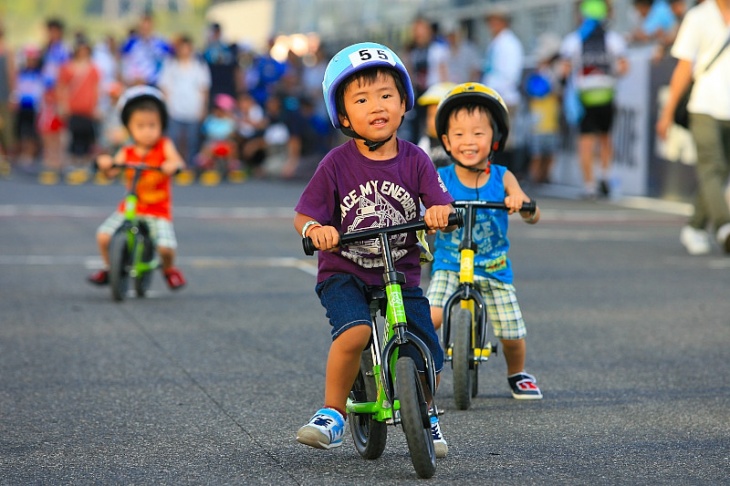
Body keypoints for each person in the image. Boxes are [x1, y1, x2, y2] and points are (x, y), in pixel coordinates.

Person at [293, 42, 454, 456]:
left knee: (429, 355)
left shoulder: (416, 159)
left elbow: (440, 200)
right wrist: (316, 229)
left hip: (399, 270)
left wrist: (438, 212)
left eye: (386, 95)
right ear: (344, 116)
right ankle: (332, 413)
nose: (376, 105)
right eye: (362, 99)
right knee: (356, 331)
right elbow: (304, 214)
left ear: (404, 104)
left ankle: (427, 412)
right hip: (344, 270)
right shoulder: (335, 164)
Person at [427, 82, 542, 400]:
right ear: (447, 141)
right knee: (429, 317)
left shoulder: (502, 176)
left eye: (478, 133)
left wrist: (520, 200)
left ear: (495, 139)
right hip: (450, 265)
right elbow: (430, 210)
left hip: (493, 266)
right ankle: (420, 370)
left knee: (511, 330)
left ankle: (517, 372)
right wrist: (433, 216)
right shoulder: (443, 178)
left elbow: (532, 213)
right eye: (459, 134)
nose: (469, 142)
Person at [87, 86, 187, 290]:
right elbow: (112, 171)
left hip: (157, 209)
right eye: (140, 126)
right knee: (104, 236)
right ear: (129, 128)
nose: (147, 131)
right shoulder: (127, 150)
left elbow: (178, 162)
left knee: (166, 248)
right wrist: (106, 164)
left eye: (152, 125)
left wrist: (172, 165)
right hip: (131, 206)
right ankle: (110, 268)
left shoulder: (164, 146)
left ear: (162, 125)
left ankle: (169, 270)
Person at [656, 0, 730, 255]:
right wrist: (666, 114)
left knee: (722, 171)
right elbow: (684, 67)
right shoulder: (698, 16)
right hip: (704, 105)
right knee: (713, 165)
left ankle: (695, 227)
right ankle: (725, 226)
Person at [559, 0, 629, 198]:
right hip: (607, 94)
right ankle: (605, 176)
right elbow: (624, 67)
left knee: (586, 141)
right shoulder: (613, 39)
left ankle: (589, 185)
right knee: (605, 138)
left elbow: (564, 70)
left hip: (584, 97)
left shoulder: (573, 40)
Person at [481, 6, 526, 177]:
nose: (491, 24)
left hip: (504, 98)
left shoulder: (509, 44)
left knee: (504, 141)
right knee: (495, 140)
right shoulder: (498, 42)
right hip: (496, 97)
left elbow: (510, 75)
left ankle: (507, 179)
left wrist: (495, 93)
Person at [158, 34, 211, 165]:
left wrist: (203, 108)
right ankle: (174, 164)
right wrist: (166, 106)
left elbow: (204, 89)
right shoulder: (170, 66)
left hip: (193, 109)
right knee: (173, 139)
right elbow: (164, 87)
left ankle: (189, 166)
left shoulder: (199, 67)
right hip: (174, 109)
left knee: (192, 140)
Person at [57, 36, 100, 185]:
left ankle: (84, 165)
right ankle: (73, 165)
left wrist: (96, 106)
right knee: (73, 138)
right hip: (73, 109)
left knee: (87, 138)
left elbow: (95, 89)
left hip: (87, 110)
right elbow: (62, 87)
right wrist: (63, 105)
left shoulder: (93, 68)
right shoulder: (68, 67)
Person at [525, 33, 563, 184]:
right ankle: (535, 177)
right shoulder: (537, 75)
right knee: (537, 153)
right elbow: (538, 90)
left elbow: (558, 92)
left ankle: (545, 177)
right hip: (538, 121)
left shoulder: (555, 73)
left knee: (550, 152)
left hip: (552, 119)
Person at [119, 13, 173, 87]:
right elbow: (125, 63)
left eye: (148, 27)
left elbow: (168, 63)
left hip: (155, 85)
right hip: (135, 84)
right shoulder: (131, 43)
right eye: (143, 27)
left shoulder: (161, 43)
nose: (145, 29)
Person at [417, 81, 457, 168]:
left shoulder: (461, 143)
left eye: (437, 116)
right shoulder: (426, 143)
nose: (432, 122)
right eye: (430, 115)